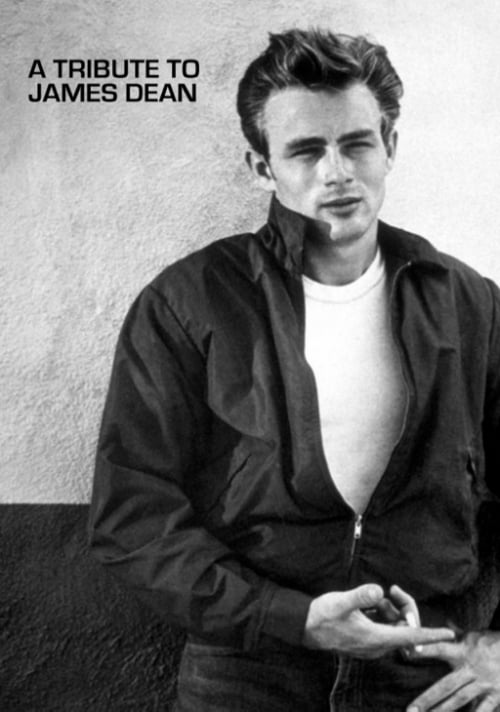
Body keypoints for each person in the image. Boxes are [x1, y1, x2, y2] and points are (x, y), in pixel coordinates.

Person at [89, 28, 500, 711]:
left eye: (357, 144)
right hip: (249, 668)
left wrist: (496, 644)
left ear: (390, 146)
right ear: (262, 167)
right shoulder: (191, 302)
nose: (337, 172)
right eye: (306, 150)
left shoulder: (467, 302)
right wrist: (290, 617)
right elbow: (132, 512)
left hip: (428, 669)